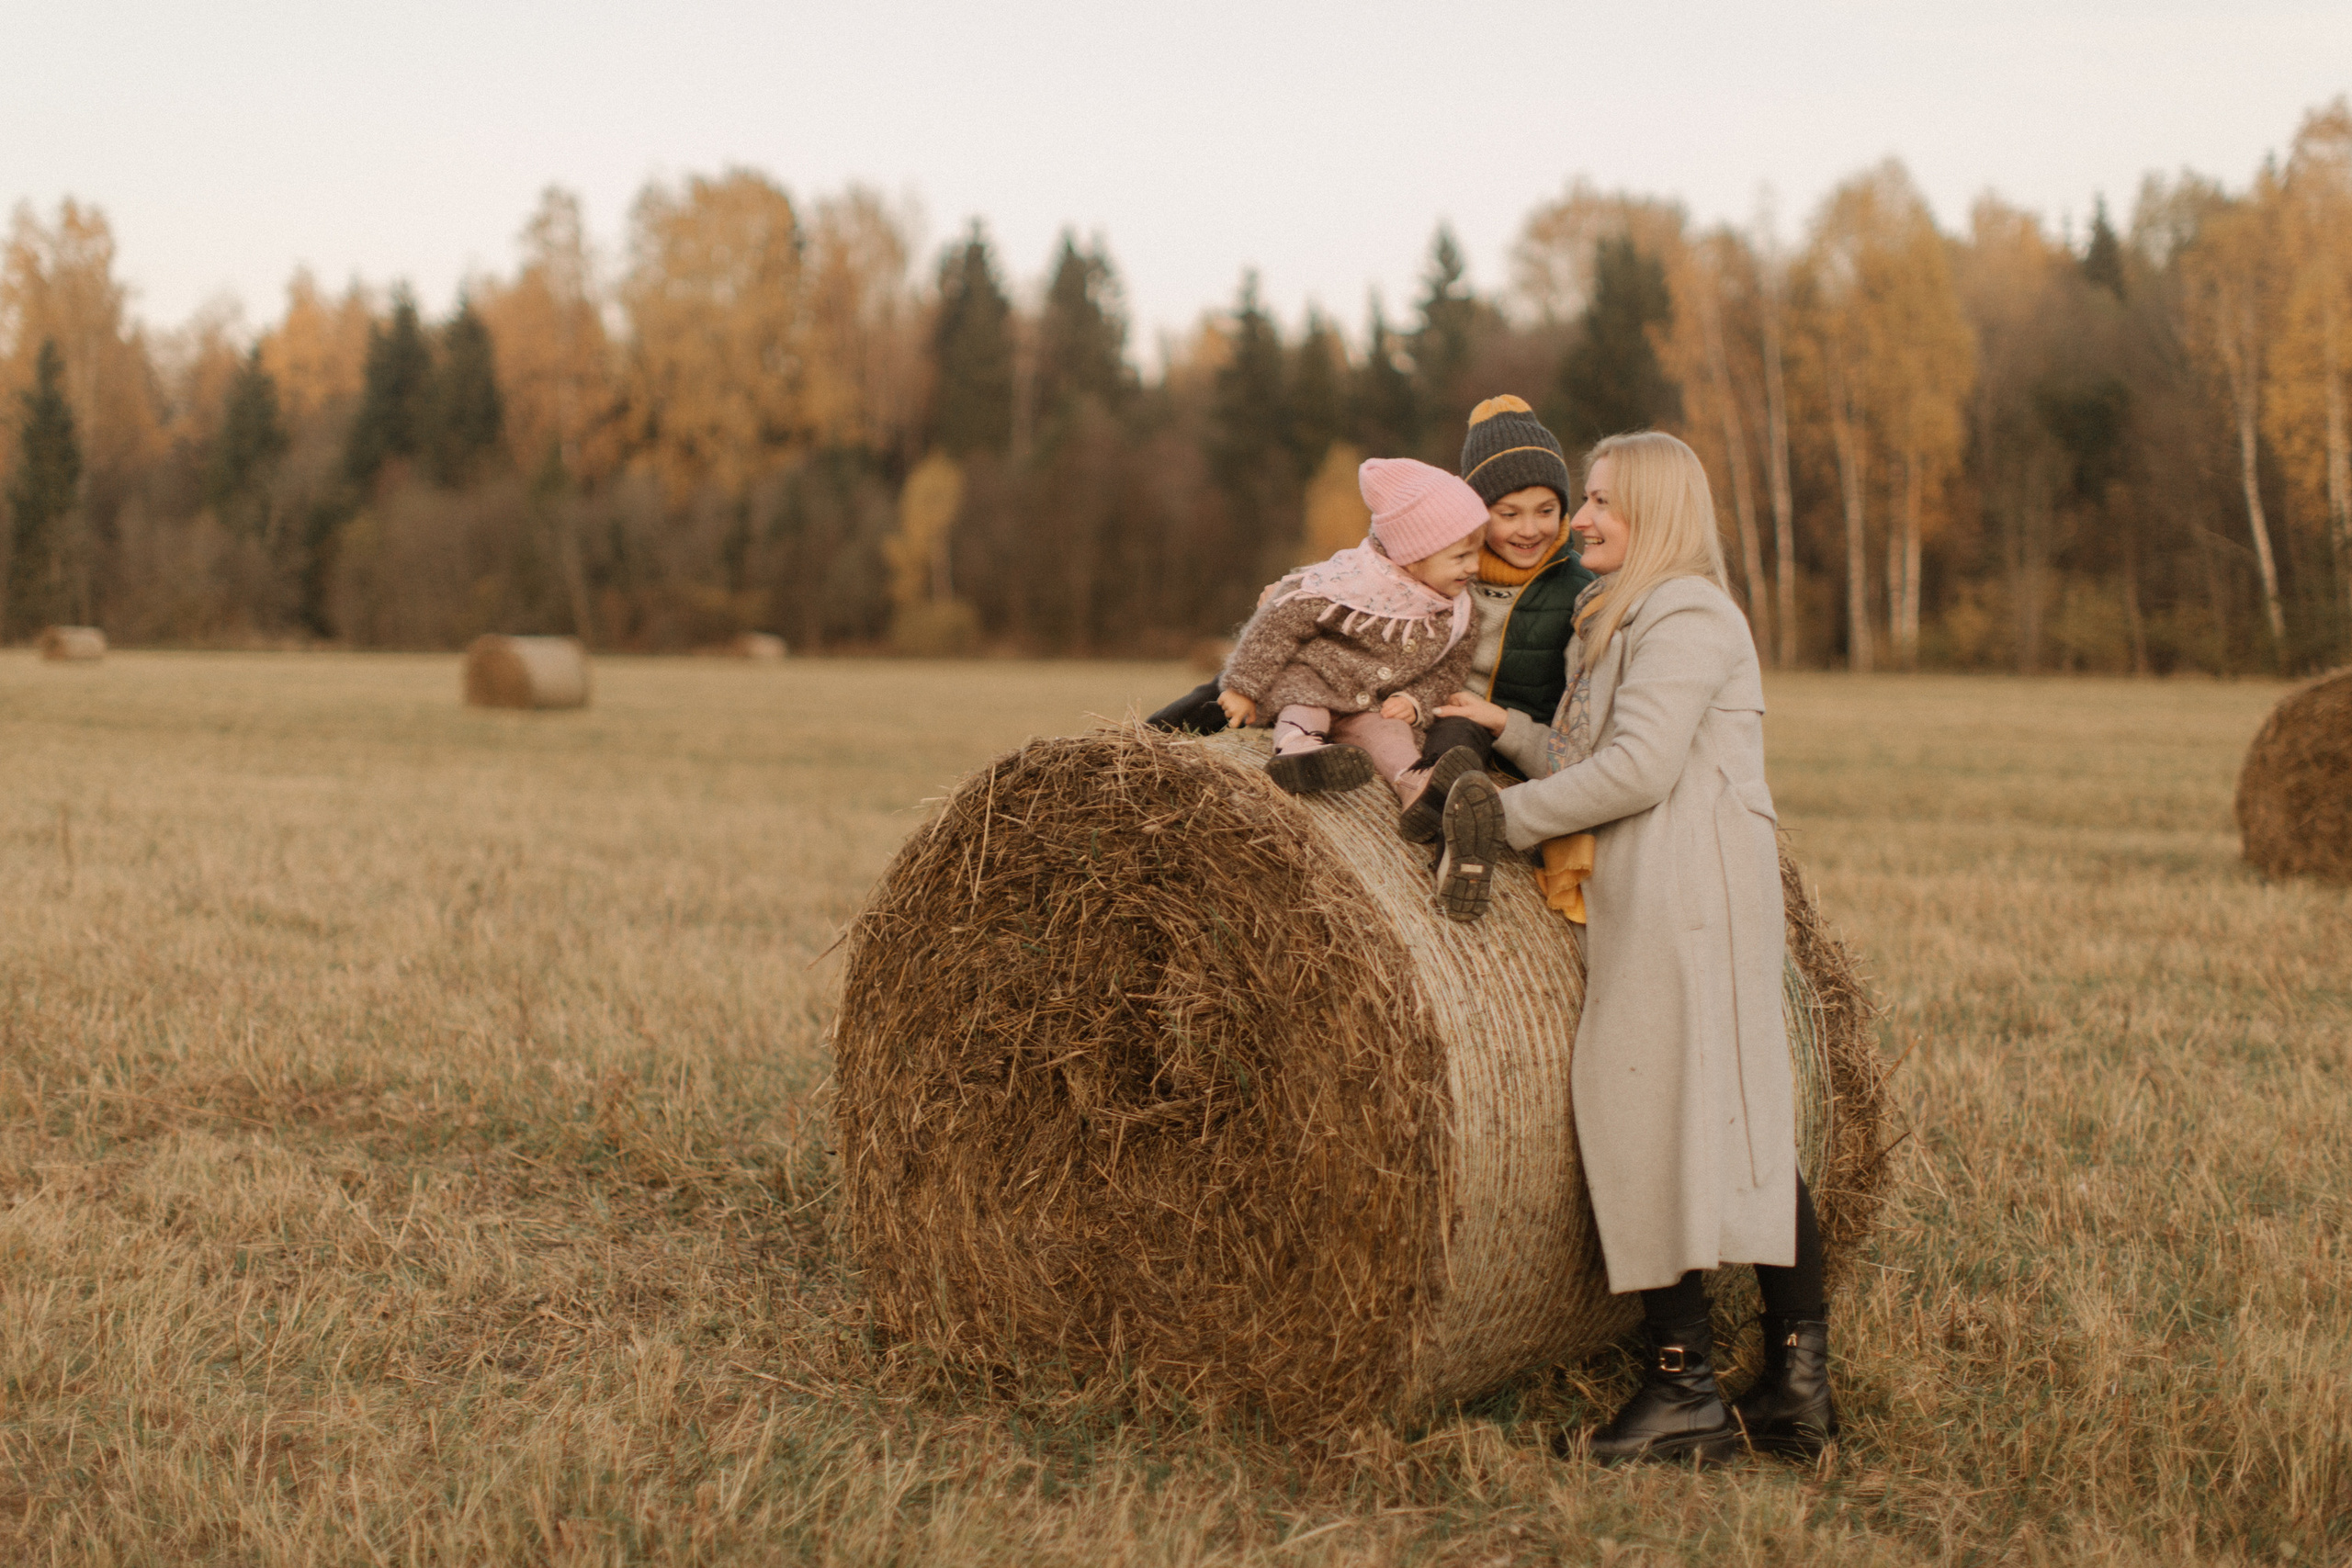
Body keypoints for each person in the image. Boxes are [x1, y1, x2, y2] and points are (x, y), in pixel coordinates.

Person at [1434, 430, 1835, 1464]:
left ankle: (1686, 1392)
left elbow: (1640, 770)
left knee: (1642, 1106)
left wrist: (1502, 822)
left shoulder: (1689, 613)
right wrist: (1508, 733)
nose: (1580, 518)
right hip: (1661, 882)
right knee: (1722, 1116)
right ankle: (1790, 1392)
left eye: (1602, 501)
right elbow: (1591, 752)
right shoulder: (1621, 616)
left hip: (1688, 887)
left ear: (1654, 513)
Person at [1150, 396, 1596, 845]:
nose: (1530, 529)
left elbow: (1477, 673)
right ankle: (1136, 751)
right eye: (1509, 514)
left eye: (1547, 510)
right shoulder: (1444, 565)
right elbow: (1345, 587)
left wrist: (1430, 704)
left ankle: (1440, 813)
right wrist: (1291, 596)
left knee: (1445, 741)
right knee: (1245, 680)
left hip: (1469, 715)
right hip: (1360, 686)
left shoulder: (1573, 586)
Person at [1215, 458, 1486, 816]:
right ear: (1413, 557)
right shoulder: (1343, 584)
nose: (1475, 566)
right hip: (1316, 684)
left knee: (1393, 734)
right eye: (1461, 556)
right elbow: (1275, 626)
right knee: (1304, 704)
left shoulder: (1460, 612)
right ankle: (1299, 751)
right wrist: (1242, 687)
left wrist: (1415, 699)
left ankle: (1415, 786)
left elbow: (1450, 669)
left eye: (1477, 552)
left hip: (1372, 707)